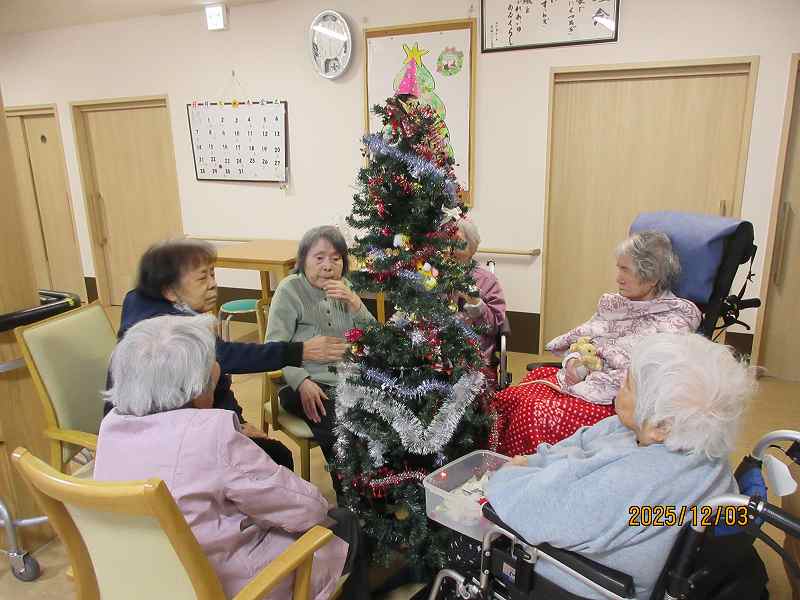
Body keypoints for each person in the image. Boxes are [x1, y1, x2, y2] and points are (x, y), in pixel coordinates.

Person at [95, 314, 369, 600]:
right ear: (194, 386)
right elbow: (305, 508)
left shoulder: (111, 427)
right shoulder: (210, 433)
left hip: (141, 582)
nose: (218, 373)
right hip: (224, 588)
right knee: (343, 523)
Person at [484, 333, 756, 599]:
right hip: (573, 510)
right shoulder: (663, 436)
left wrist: (508, 474)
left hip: (580, 579)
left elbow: (533, 509)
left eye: (629, 384)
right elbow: (582, 441)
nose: (619, 384)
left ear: (661, 425)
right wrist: (535, 461)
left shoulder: (636, 481)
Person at [107, 238, 348, 470]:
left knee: (275, 454)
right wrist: (301, 351)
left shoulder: (149, 302)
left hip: (187, 425)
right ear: (170, 290)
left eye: (213, 274)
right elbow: (225, 357)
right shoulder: (164, 331)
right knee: (276, 458)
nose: (213, 284)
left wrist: (238, 421)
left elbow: (220, 382)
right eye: (203, 277)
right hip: (166, 440)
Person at [492, 231, 701, 456]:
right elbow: (584, 340)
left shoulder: (674, 320)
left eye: (625, 270)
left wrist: (591, 376)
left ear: (652, 278)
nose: (618, 278)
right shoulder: (616, 305)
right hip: (581, 381)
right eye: (619, 268)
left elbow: (647, 378)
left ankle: (531, 470)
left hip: (616, 403)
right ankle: (502, 463)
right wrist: (573, 361)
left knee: (533, 411)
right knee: (513, 396)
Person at [266, 226, 376, 474]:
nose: (328, 266)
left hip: (347, 380)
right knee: (341, 428)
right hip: (303, 383)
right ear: (303, 259)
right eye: (319, 258)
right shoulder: (290, 290)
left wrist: (355, 303)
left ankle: (376, 485)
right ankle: (349, 489)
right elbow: (274, 348)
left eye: (336, 259)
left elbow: (375, 337)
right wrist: (301, 381)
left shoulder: (344, 287)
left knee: (380, 418)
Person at [453, 219, 507, 382]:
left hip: (474, 357)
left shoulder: (487, 280)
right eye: (446, 240)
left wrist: (476, 304)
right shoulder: (431, 276)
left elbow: (495, 326)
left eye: (457, 241)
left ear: (472, 246)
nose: (451, 247)